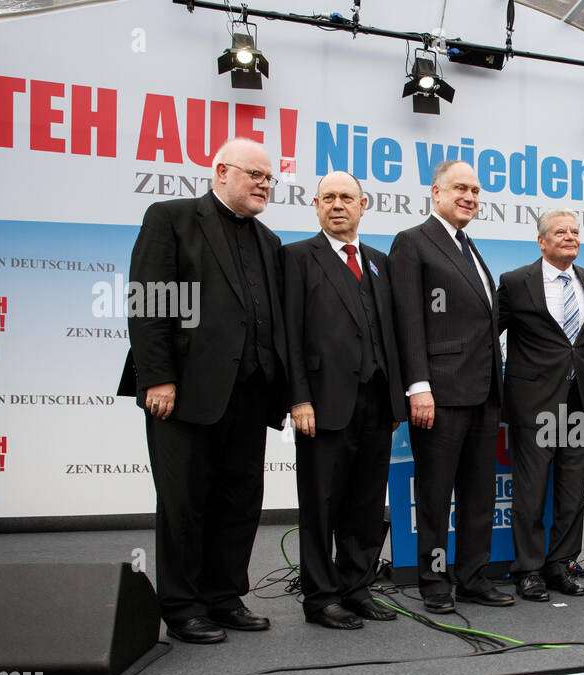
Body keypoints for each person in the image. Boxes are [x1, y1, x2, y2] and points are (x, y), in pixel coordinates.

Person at [117, 137, 288, 644]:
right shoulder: (171, 218)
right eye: (255, 175)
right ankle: (182, 606)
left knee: (239, 501)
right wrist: (158, 377)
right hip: (185, 392)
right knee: (184, 502)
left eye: (269, 179)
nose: (264, 185)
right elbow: (150, 302)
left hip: (250, 396)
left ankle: (223, 596)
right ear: (221, 171)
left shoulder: (269, 241)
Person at [283, 171, 405, 629]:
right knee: (321, 505)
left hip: (376, 406)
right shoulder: (296, 257)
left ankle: (357, 588)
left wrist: (395, 400)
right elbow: (289, 334)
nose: (338, 204)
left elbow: (389, 332)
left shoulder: (377, 260)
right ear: (316, 205)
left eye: (346, 197)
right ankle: (321, 599)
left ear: (363, 204)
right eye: (328, 197)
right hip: (323, 405)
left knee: (365, 505)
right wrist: (298, 399)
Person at [388, 160, 511, 613]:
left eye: (476, 191)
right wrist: (418, 385)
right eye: (461, 188)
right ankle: (433, 581)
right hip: (438, 394)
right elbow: (408, 319)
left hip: (482, 395)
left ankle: (474, 576)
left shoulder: (471, 248)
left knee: (478, 493)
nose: (470, 197)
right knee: (436, 496)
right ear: (435, 192)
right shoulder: (412, 243)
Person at [497, 209, 584, 602]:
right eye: (561, 232)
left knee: (573, 495)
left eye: (575, 232)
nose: (570, 237)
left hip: (579, 404)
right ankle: (529, 569)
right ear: (542, 241)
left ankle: (561, 565)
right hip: (533, 405)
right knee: (531, 493)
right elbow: (491, 335)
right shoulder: (515, 281)